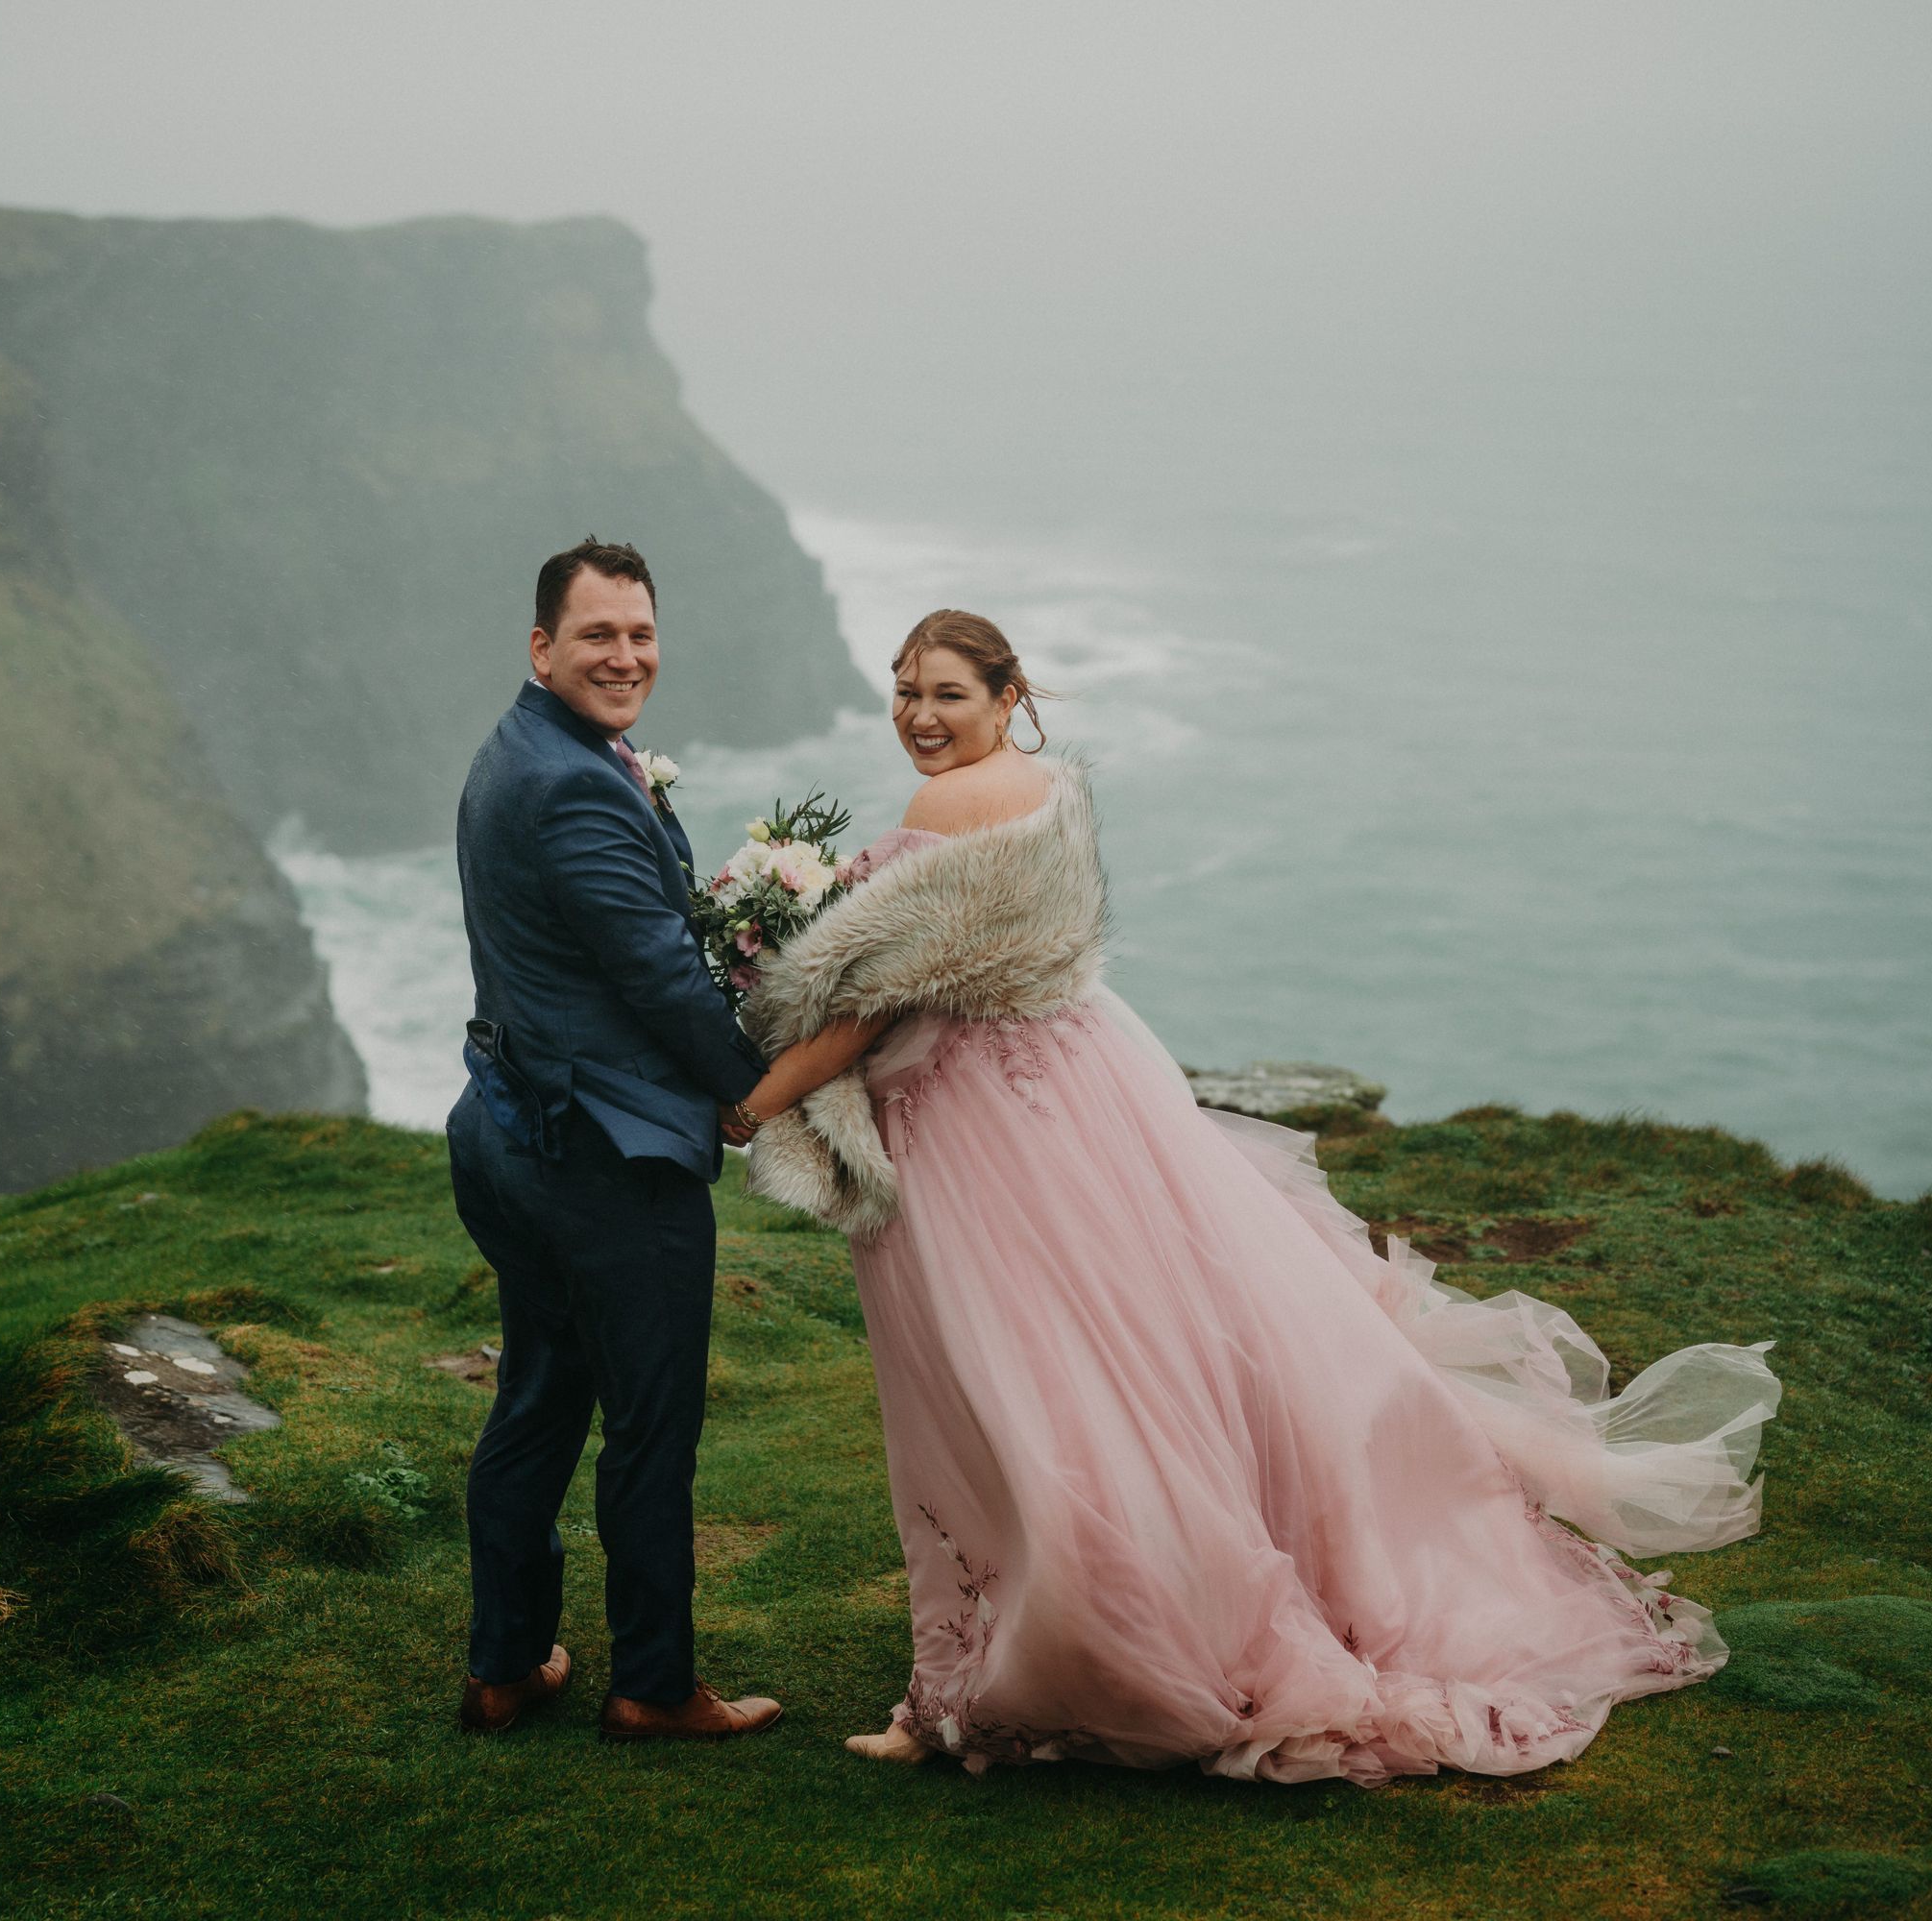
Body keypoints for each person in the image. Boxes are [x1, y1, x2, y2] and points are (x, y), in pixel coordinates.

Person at [735, 608, 1782, 1784]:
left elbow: (863, 1008)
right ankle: (1071, 1624)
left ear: (1005, 693)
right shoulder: (1048, 793)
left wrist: (742, 1099)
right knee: (1123, 1366)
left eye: (948, 694)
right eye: (906, 689)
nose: (921, 714)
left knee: (1000, 1389)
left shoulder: (942, 815)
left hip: (984, 1140)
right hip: (1084, 1093)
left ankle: (998, 1677)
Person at [446, 538, 783, 1743]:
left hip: (507, 1127)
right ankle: (652, 1681)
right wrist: (762, 1090)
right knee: (649, 1423)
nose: (625, 654)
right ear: (543, 646)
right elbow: (658, 977)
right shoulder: (574, 781)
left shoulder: (523, 748)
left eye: (640, 633)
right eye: (598, 634)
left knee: (539, 1395)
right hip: (599, 1160)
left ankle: (504, 1664)